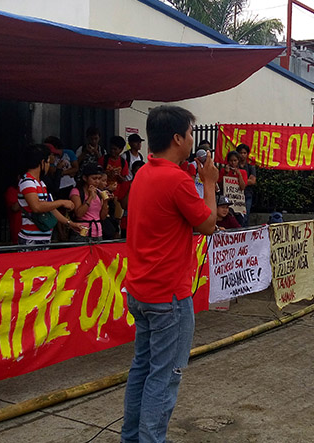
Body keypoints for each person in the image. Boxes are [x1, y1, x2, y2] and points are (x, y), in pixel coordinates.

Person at [122, 105, 217, 442]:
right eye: (191, 134)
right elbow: (207, 223)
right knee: (164, 376)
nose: (193, 140)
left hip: (140, 291)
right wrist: (209, 183)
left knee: (142, 370)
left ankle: (132, 437)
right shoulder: (177, 180)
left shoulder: (143, 173)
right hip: (169, 297)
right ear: (178, 138)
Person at [18, 144, 77, 246]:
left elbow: (50, 208)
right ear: (42, 162)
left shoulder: (40, 183)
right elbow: (36, 207)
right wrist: (61, 202)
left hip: (43, 238)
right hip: (31, 239)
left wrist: (71, 224)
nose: (49, 166)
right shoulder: (27, 182)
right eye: (48, 162)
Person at [69, 163, 109, 242]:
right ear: (85, 178)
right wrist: (90, 197)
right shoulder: (77, 192)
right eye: (94, 178)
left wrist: (105, 202)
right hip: (81, 232)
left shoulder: (99, 193)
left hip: (97, 233)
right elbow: (79, 214)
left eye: (99, 178)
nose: (97, 181)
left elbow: (102, 217)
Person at [236, 144, 257, 226]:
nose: (243, 155)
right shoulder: (234, 165)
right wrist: (246, 180)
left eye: (244, 153)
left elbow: (253, 181)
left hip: (247, 195)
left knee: (245, 217)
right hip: (235, 195)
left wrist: (240, 180)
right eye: (241, 153)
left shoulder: (250, 167)